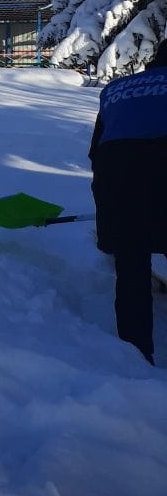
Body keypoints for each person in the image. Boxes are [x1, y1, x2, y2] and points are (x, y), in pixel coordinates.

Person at [88, 43, 167, 366]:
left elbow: (98, 151)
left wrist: (110, 209)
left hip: (119, 179)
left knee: (131, 268)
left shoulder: (116, 89)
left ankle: (135, 357)